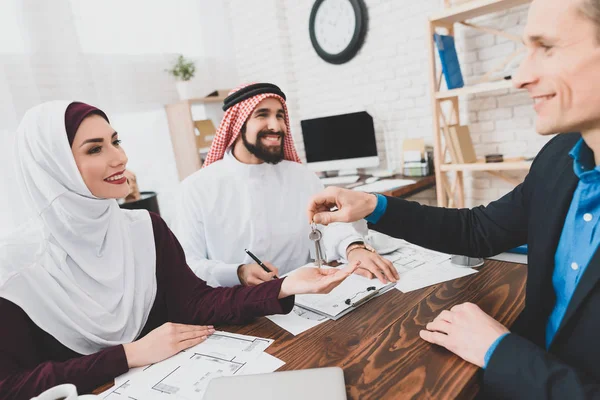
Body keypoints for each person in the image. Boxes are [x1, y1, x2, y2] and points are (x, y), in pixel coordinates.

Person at [307, 0, 600, 397]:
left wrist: (501, 351)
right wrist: (375, 205)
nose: (521, 77)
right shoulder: (559, 158)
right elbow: (477, 229)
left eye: (547, 47)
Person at [0, 101, 358, 399]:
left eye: (115, 141)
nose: (119, 157)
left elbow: (196, 303)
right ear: (53, 167)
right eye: (95, 148)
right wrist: (129, 354)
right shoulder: (15, 267)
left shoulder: (144, 228)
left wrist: (287, 286)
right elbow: (11, 385)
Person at [173, 83, 398, 287]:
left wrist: (353, 248)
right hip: (236, 307)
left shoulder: (303, 177)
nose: (276, 125)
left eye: (280, 116)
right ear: (237, 124)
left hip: (306, 297)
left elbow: (325, 229)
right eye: (263, 115)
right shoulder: (196, 189)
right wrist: (237, 272)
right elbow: (188, 265)